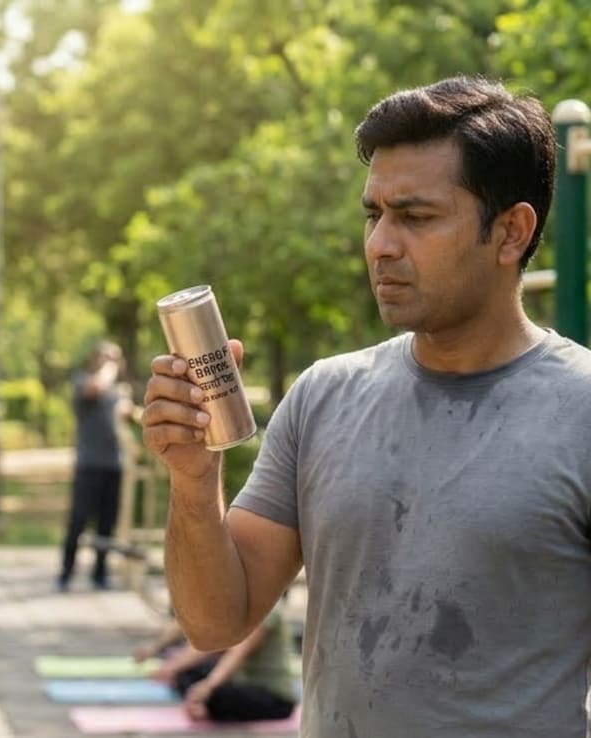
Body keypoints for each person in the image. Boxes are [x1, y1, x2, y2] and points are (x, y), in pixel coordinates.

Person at [141, 75, 591, 737]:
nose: (380, 244)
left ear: (511, 232)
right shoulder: (323, 396)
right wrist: (191, 475)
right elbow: (215, 621)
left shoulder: (579, 411)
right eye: (373, 214)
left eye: (415, 216)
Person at [148, 596, 298, 723]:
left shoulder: (267, 607)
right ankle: (203, 705)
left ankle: (206, 708)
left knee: (213, 693)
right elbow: (207, 642)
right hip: (243, 685)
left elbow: (237, 653)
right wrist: (169, 664)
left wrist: (207, 687)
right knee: (187, 674)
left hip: (274, 699)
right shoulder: (237, 606)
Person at [57, 341, 129, 592]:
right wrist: (109, 369)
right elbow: (94, 388)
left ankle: (100, 573)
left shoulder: (119, 391)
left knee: (107, 524)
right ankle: (66, 572)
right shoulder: (83, 382)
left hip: (114, 464)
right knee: (78, 521)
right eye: (105, 357)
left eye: (114, 358)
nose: (109, 362)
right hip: (89, 464)